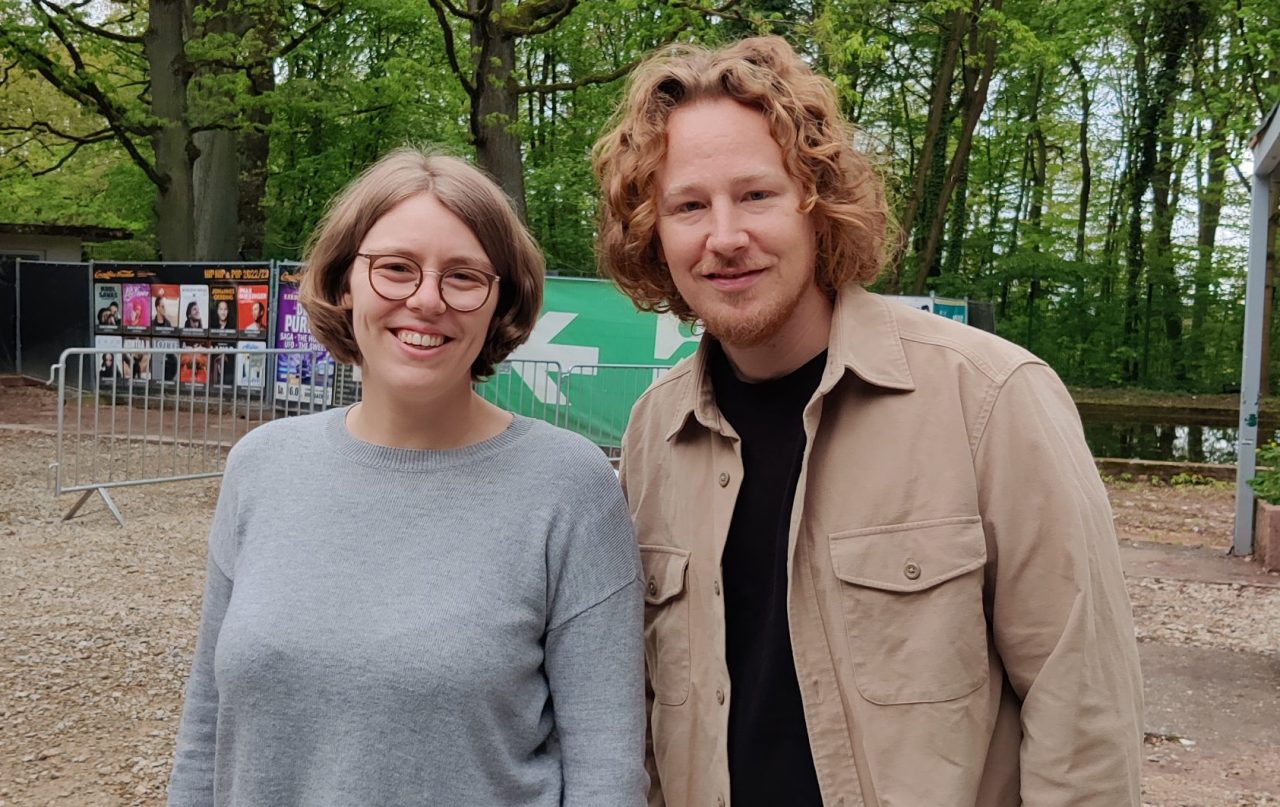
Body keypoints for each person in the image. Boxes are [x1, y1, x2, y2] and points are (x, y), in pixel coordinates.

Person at [593, 37, 1143, 806]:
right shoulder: (655, 434)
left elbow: (1084, 709)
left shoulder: (988, 398)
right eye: (689, 206)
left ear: (818, 205)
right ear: (655, 233)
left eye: (756, 195)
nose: (724, 237)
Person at [166, 148, 647, 807]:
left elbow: (606, 775)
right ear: (345, 283)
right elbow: (206, 732)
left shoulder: (568, 487)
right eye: (395, 268)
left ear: (500, 302)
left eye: (464, 276)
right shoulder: (262, 466)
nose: (426, 300)